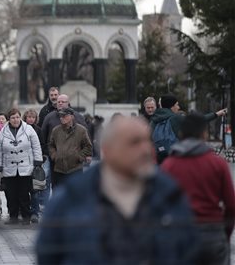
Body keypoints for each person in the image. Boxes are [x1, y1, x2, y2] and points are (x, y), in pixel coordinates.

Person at [37, 116, 199, 264]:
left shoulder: (170, 195)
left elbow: (189, 251)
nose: (146, 150)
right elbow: (47, 256)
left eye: (147, 141)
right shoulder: (71, 199)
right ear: (108, 150)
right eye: (134, 142)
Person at [162, 113, 235, 265]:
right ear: (204, 133)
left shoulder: (169, 165)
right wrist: (224, 233)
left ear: (181, 133)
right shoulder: (217, 163)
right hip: (212, 233)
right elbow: (231, 205)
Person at [0, 108, 43, 224]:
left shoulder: (29, 129)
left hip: (25, 166)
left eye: (17, 117)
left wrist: (38, 161)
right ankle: (13, 216)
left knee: (24, 193)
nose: (15, 120)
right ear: (8, 119)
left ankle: (26, 216)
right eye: (12, 118)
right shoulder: (3, 131)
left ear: (20, 117)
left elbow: (36, 146)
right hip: (8, 166)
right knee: (10, 194)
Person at [150, 93, 226, 164]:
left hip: (158, 159)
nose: (178, 107)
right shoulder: (175, 118)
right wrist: (216, 114)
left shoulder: (154, 119)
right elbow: (197, 120)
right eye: (177, 105)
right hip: (174, 158)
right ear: (171, 106)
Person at [48, 108, 92, 187]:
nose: (62, 118)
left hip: (75, 169)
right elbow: (51, 145)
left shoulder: (81, 130)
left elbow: (88, 146)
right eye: (60, 116)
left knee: (75, 195)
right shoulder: (56, 130)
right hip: (59, 169)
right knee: (59, 195)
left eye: (64, 116)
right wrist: (55, 156)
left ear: (72, 117)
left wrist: (79, 157)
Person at [23, 108, 46, 223]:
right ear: (25, 118)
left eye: (33, 117)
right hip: (23, 162)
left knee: (35, 190)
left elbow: (42, 145)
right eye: (29, 117)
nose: (31, 119)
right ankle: (25, 211)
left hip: (34, 163)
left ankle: (35, 212)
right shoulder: (21, 129)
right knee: (24, 189)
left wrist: (40, 158)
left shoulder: (38, 130)